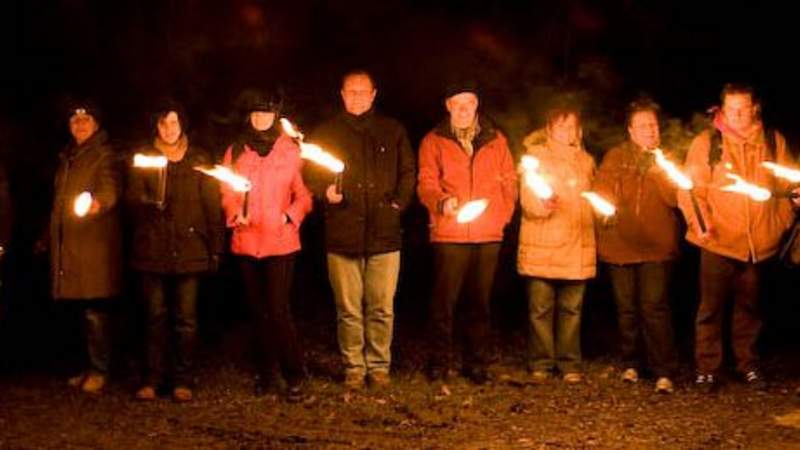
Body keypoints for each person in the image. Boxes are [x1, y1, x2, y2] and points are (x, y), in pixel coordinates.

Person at [678, 83, 794, 392]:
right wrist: (699, 223)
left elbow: (788, 189)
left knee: (750, 309)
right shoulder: (709, 142)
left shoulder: (772, 140)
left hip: (759, 245)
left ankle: (747, 364)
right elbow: (690, 190)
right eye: (731, 109)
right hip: (717, 241)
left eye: (743, 108)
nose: (737, 115)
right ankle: (707, 367)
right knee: (710, 308)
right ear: (721, 109)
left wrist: (779, 223)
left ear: (755, 108)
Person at [308, 70, 416, 389]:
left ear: (373, 94)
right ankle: (354, 366)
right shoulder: (327, 132)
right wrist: (324, 192)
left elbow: (408, 172)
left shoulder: (391, 130)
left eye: (362, 91)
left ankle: (379, 366)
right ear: (342, 95)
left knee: (381, 306)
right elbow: (311, 174)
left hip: (384, 234)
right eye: (350, 91)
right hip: (342, 234)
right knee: (349, 308)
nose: (356, 96)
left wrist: (397, 206)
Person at [417, 80, 517, 384]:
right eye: (457, 103)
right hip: (450, 234)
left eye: (469, 103)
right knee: (444, 303)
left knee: (480, 302)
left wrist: (500, 218)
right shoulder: (433, 140)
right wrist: (442, 202)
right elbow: (426, 182)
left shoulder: (496, 139)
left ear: (477, 105)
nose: (463, 109)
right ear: (447, 105)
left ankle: (476, 364)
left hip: (487, 235)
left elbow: (509, 182)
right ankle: (439, 363)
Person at [126, 101, 223, 402]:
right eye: (163, 123)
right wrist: (146, 201)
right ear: (156, 126)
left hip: (189, 249)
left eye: (174, 123)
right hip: (152, 250)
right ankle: (152, 379)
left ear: (183, 125)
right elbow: (130, 199)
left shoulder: (198, 159)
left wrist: (215, 248)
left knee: (186, 319)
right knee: (154, 317)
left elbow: (212, 206)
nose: (169, 129)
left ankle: (183, 379)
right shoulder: (144, 158)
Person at [221, 90, 312, 400]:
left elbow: (304, 195)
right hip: (247, 242)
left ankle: (295, 374)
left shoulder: (291, 150)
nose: (261, 118)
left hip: (281, 243)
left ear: (276, 116)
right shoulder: (236, 150)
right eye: (256, 113)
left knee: (278, 310)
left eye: (267, 113)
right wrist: (235, 214)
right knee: (258, 311)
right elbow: (227, 192)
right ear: (249, 116)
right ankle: (266, 373)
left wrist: (290, 216)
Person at [592, 98, 680, 393]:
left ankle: (663, 370)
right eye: (642, 126)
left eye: (653, 125)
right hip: (621, 245)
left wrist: (658, 171)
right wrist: (605, 210)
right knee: (627, 308)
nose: (649, 131)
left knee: (654, 307)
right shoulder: (616, 156)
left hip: (656, 245)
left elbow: (675, 198)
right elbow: (601, 190)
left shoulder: (667, 158)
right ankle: (632, 363)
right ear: (630, 130)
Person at [517, 107, 595, 385]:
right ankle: (541, 362)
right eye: (560, 127)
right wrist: (543, 204)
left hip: (577, 245)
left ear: (578, 132)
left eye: (571, 127)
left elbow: (592, 200)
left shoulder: (586, 161)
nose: (566, 133)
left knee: (571, 309)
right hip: (543, 244)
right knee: (540, 309)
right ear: (550, 130)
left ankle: (569, 363)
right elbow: (528, 198)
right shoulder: (536, 157)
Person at [50, 100, 122, 394]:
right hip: (69, 245)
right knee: (76, 311)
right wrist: (48, 237)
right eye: (74, 122)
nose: (79, 126)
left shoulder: (103, 155)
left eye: (86, 120)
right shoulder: (68, 156)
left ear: (96, 124)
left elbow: (110, 189)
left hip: (93, 246)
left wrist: (97, 203)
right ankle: (82, 366)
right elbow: (59, 202)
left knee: (94, 311)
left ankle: (100, 369)